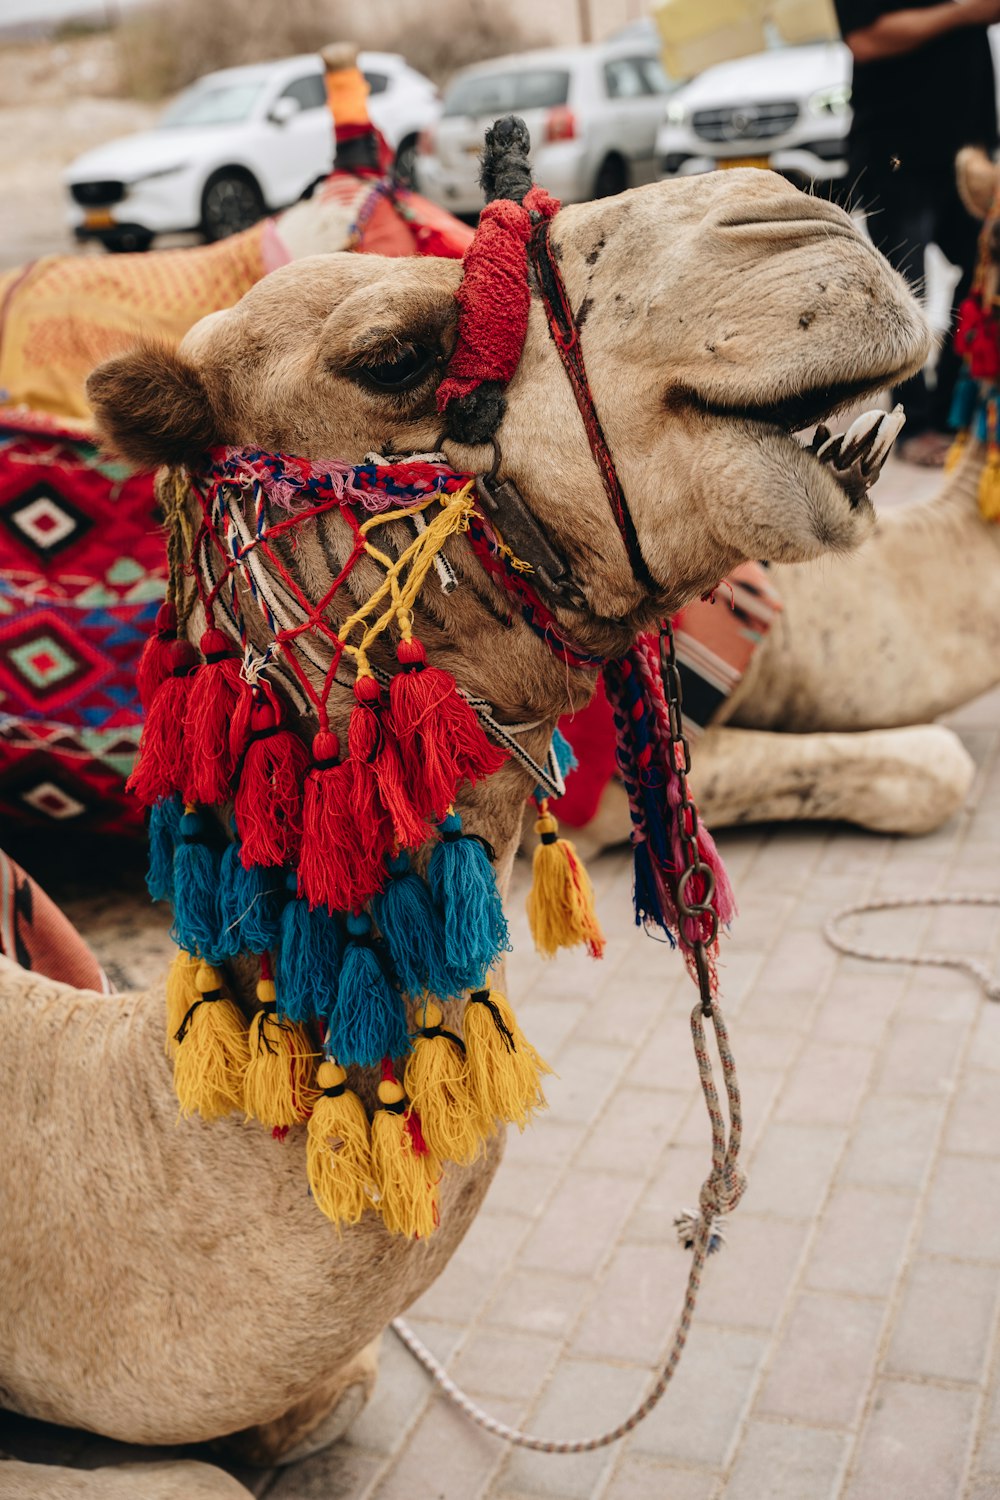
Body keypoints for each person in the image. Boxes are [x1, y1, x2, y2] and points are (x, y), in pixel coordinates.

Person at [834, 0, 1000, 463]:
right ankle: (911, 425)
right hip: (897, 153)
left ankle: (954, 413)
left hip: (969, 147)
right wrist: (963, 12)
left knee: (984, 278)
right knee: (904, 294)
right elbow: (866, 39)